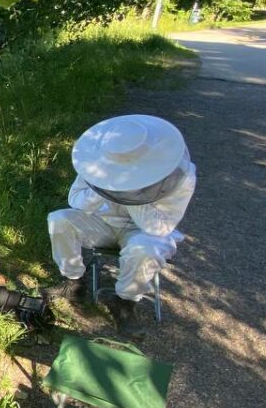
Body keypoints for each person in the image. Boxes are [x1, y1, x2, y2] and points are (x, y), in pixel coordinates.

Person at [44, 114, 196, 334]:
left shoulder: (181, 175)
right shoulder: (101, 160)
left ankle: (124, 303)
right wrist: (104, 187)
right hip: (104, 222)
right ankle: (73, 282)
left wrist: (131, 192)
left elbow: (159, 228)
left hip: (143, 231)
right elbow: (75, 199)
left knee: (145, 250)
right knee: (59, 219)